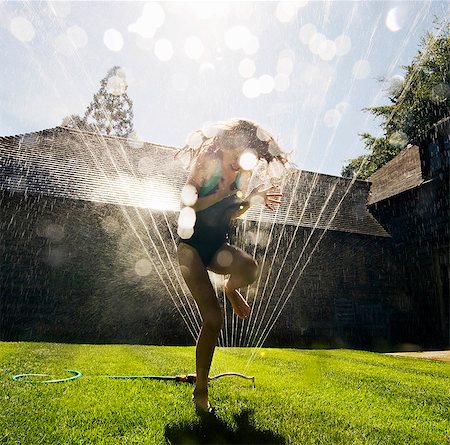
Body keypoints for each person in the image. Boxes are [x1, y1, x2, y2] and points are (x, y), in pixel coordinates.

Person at [176, 118, 290, 412]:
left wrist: (251, 200)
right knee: (213, 320)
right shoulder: (206, 163)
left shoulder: (242, 173)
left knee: (250, 267)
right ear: (228, 143)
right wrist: (220, 194)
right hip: (190, 249)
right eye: (238, 151)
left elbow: (231, 214)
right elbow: (186, 207)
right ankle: (200, 391)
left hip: (215, 248)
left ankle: (230, 288)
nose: (241, 160)